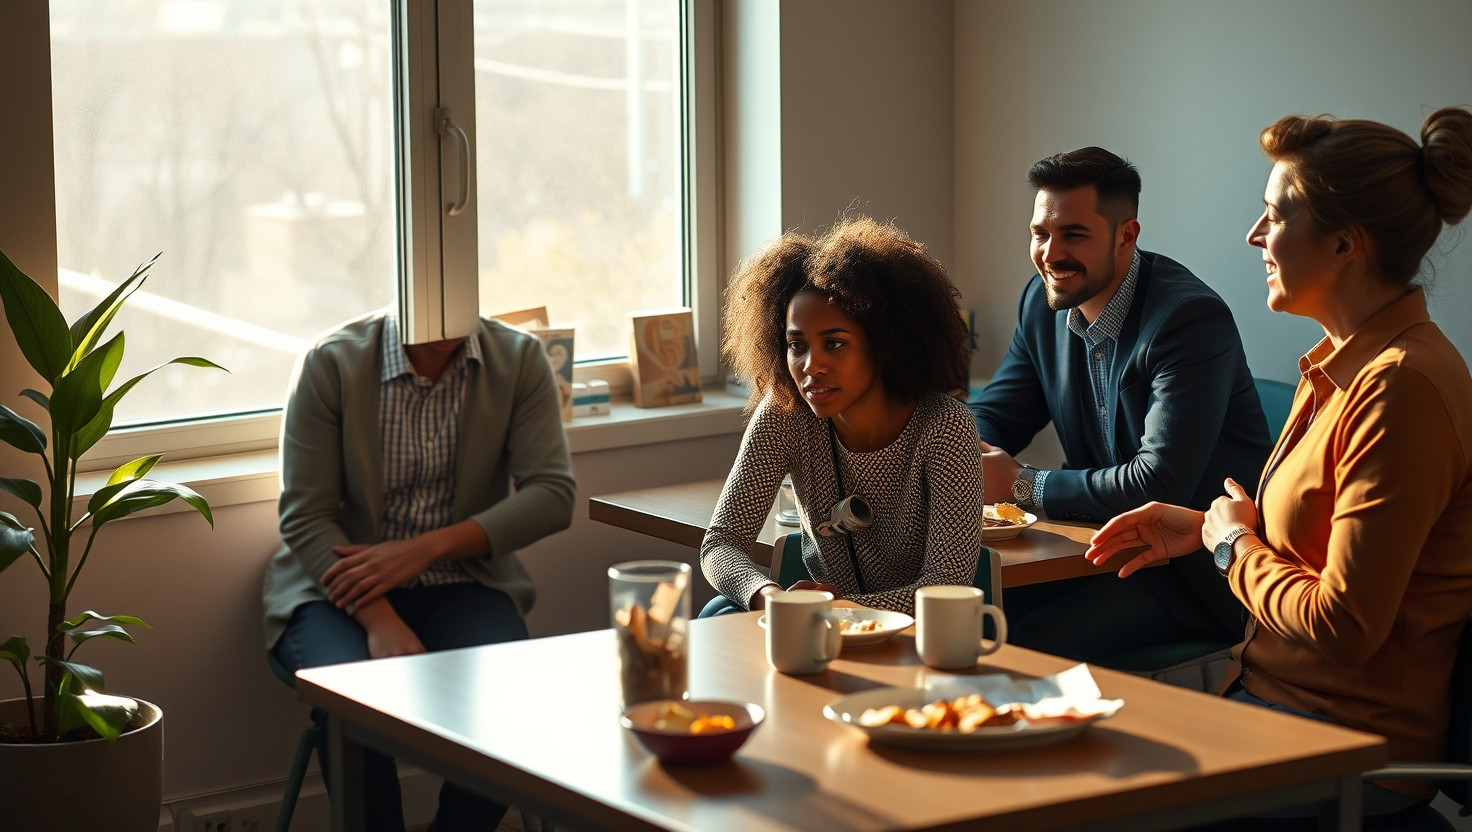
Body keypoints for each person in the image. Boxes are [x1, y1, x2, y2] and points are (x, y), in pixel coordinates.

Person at [1087, 107, 1472, 823]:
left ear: (1344, 245)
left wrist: (1233, 548)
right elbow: (1318, 548)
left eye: (1272, 216)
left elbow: (1345, 624)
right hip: (1272, 711)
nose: (1254, 235)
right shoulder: (1339, 368)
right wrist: (1202, 528)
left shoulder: (1401, 389)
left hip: (1346, 748)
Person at [262, 310, 576, 832]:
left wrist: (423, 549)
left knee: (513, 701)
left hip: (464, 582)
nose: (445, 327)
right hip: (335, 590)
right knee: (352, 709)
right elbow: (305, 515)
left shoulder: (518, 358)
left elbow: (552, 495)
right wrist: (380, 621)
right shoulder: (331, 361)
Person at [969, 147, 1273, 661]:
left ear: (1126, 235)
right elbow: (997, 416)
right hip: (1092, 550)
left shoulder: (1188, 319)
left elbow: (1158, 481)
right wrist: (928, 446)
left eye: (1074, 235)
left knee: (1018, 642)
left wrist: (1020, 483)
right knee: (974, 614)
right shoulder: (1041, 304)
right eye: (1040, 234)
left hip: (1189, 572)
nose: (1050, 253)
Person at [701, 217, 983, 616]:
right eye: (797, 345)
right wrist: (768, 595)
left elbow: (946, 586)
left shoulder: (945, 426)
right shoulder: (785, 415)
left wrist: (839, 610)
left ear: (884, 344)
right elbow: (721, 542)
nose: (811, 366)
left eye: (834, 344)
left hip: (916, 634)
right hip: (821, 627)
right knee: (719, 612)